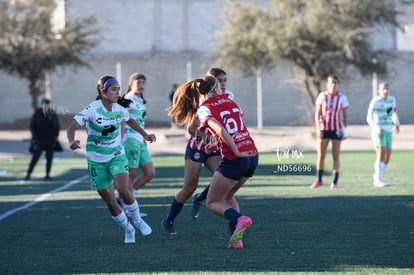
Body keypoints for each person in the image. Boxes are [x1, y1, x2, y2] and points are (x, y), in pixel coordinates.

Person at [167, 75, 258, 249]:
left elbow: (221, 129)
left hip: (236, 159)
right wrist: (218, 144)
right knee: (228, 196)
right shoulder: (230, 101)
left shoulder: (204, 109)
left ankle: (239, 219)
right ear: (216, 89)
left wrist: (235, 150)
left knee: (212, 202)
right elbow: (236, 129)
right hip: (252, 156)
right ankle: (236, 240)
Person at [66, 75, 155, 244]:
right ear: (103, 92)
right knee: (111, 202)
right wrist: (72, 141)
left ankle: (137, 220)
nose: (117, 92)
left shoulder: (119, 108)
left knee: (123, 190)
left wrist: (145, 134)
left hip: (116, 155)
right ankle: (128, 229)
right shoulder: (92, 108)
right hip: (96, 160)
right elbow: (72, 127)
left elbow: (131, 121)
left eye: (118, 89)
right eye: (113, 89)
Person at [191, 67, 234, 219]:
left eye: (225, 80)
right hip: (197, 146)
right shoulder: (201, 101)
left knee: (225, 179)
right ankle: (169, 220)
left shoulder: (229, 96)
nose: (223, 84)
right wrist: (207, 137)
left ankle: (200, 198)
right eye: (218, 81)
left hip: (216, 147)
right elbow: (191, 129)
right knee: (188, 188)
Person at [119, 73, 155, 217]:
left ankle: (125, 197)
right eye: (138, 82)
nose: (141, 85)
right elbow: (124, 120)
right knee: (131, 175)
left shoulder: (141, 100)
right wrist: (144, 134)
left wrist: (144, 140)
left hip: (139, 141)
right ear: (130, 84)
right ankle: (128, 208)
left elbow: (140, 122)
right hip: (129, 140)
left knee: (150, 172)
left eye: (143, 82)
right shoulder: (128, 99)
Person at [311, 74, 349, 189]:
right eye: (331, 82)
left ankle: (334, 181)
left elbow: (345, 115)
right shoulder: (322, 96)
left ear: (338, 84)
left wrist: (345, 131)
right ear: (327, 84)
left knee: (336, 156)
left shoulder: (342, 97)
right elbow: (317, 113)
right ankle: (318, 180)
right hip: (324, 129)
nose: (333, 85)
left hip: (336, 129)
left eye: (335, 83)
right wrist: (318, 129)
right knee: (321, 156)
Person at [366, 82, 400, 187]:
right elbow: (368, 117)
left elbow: (394, 112)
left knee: (387, 157)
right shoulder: (375, 101)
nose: (385, 91)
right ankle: (378, 180)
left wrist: (397, 123)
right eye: (383, 89)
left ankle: (377, 175)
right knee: (381, 153)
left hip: (388, 130)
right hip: (378, 130)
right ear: (379, 91)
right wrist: (376, 127)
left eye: (387, 88)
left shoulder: (392, 100)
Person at [25, 98, 60, 181]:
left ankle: (47, 174)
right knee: (36, 157)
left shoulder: (52, 113)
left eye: (47, 104)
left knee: (49, 157)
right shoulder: (37, 113)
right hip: (39, 139)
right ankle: (28, 173)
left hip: (50, 139)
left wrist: (56, 136)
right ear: (42, 105)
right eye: (44, 104)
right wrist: (34, 137)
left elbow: (56, 125)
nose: (45, 106)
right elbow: (32, 125)